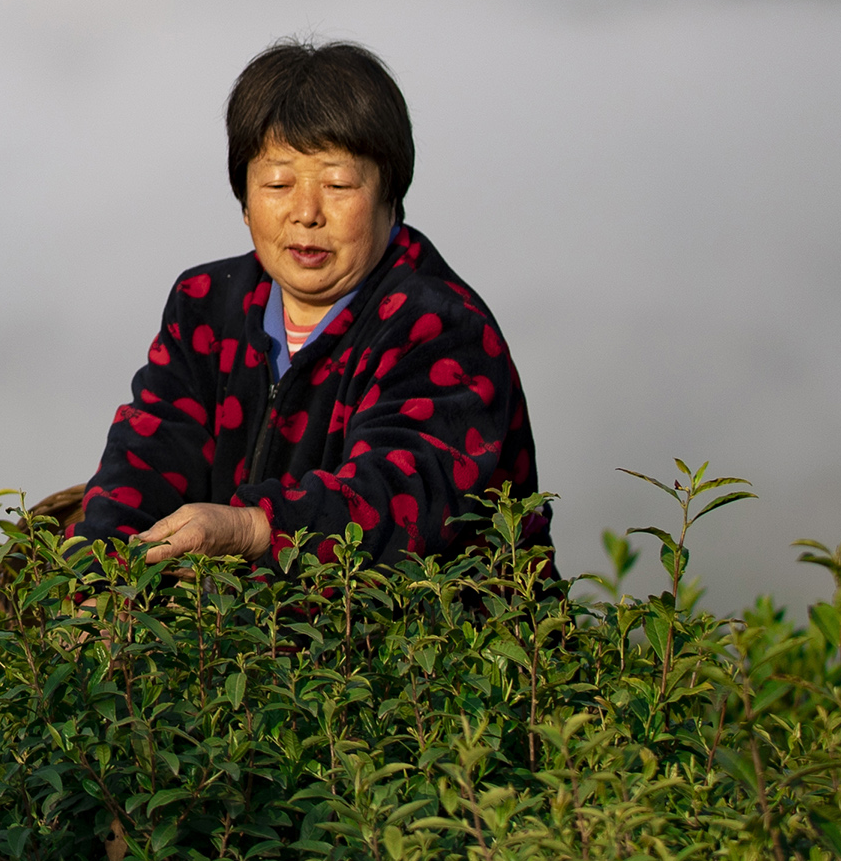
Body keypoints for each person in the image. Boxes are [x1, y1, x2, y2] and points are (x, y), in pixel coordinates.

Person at [70, 39, 547, 571]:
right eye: (278, 182)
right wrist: (96, 596)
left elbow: (400, 499)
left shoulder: (440, 326)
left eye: (338, 183)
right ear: (245, 201)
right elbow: (141, 467)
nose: (306, 212)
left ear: (391, 194)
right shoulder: (203, 306)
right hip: (249, 643)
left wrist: (251, 526)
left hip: (430, 645)